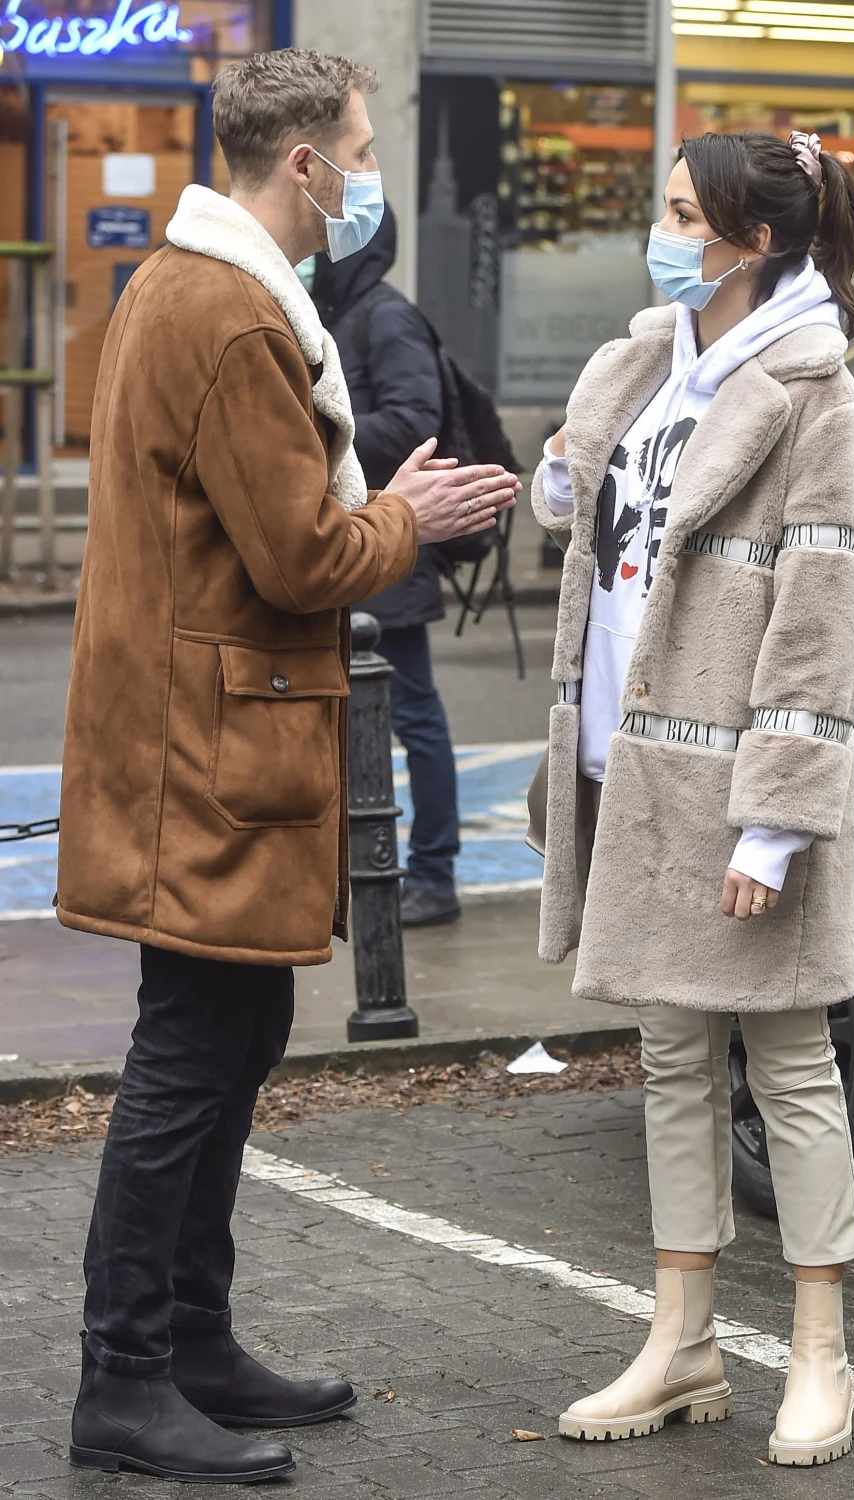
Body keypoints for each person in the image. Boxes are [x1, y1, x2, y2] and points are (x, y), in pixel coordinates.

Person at [56, 48, 518, 1484]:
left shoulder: (189, 289)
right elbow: (302, 555)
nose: (370, 175)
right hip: (209, 747)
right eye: (361, 150)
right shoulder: (232, 310)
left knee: (225, 1040)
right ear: (302, 164)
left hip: (195, 735)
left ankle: (188, 1344)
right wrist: (405, 515)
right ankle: (126, 1375)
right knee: (192, 1054)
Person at [530, 130, 854, 1468]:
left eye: (683, 213)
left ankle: (819, 1358)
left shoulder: (815, 403)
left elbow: (818, 622)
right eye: (661, 208)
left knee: (788, 1068)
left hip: (736, 787)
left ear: (757, 240)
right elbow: (598, 537)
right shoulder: (640, 364)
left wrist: (776, 816)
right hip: (633, 769)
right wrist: (566, 470)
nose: (660, 231)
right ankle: (681, 1345)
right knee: (672, 1061)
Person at [298, 205, 473, 927]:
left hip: (391, 541)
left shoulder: (384, 316)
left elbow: (414, 423)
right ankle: (371, 866)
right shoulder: (327, 312)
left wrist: (311, 425)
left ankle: (433, 873)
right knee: (364, 713)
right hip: (358, 535)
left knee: (413, 715)